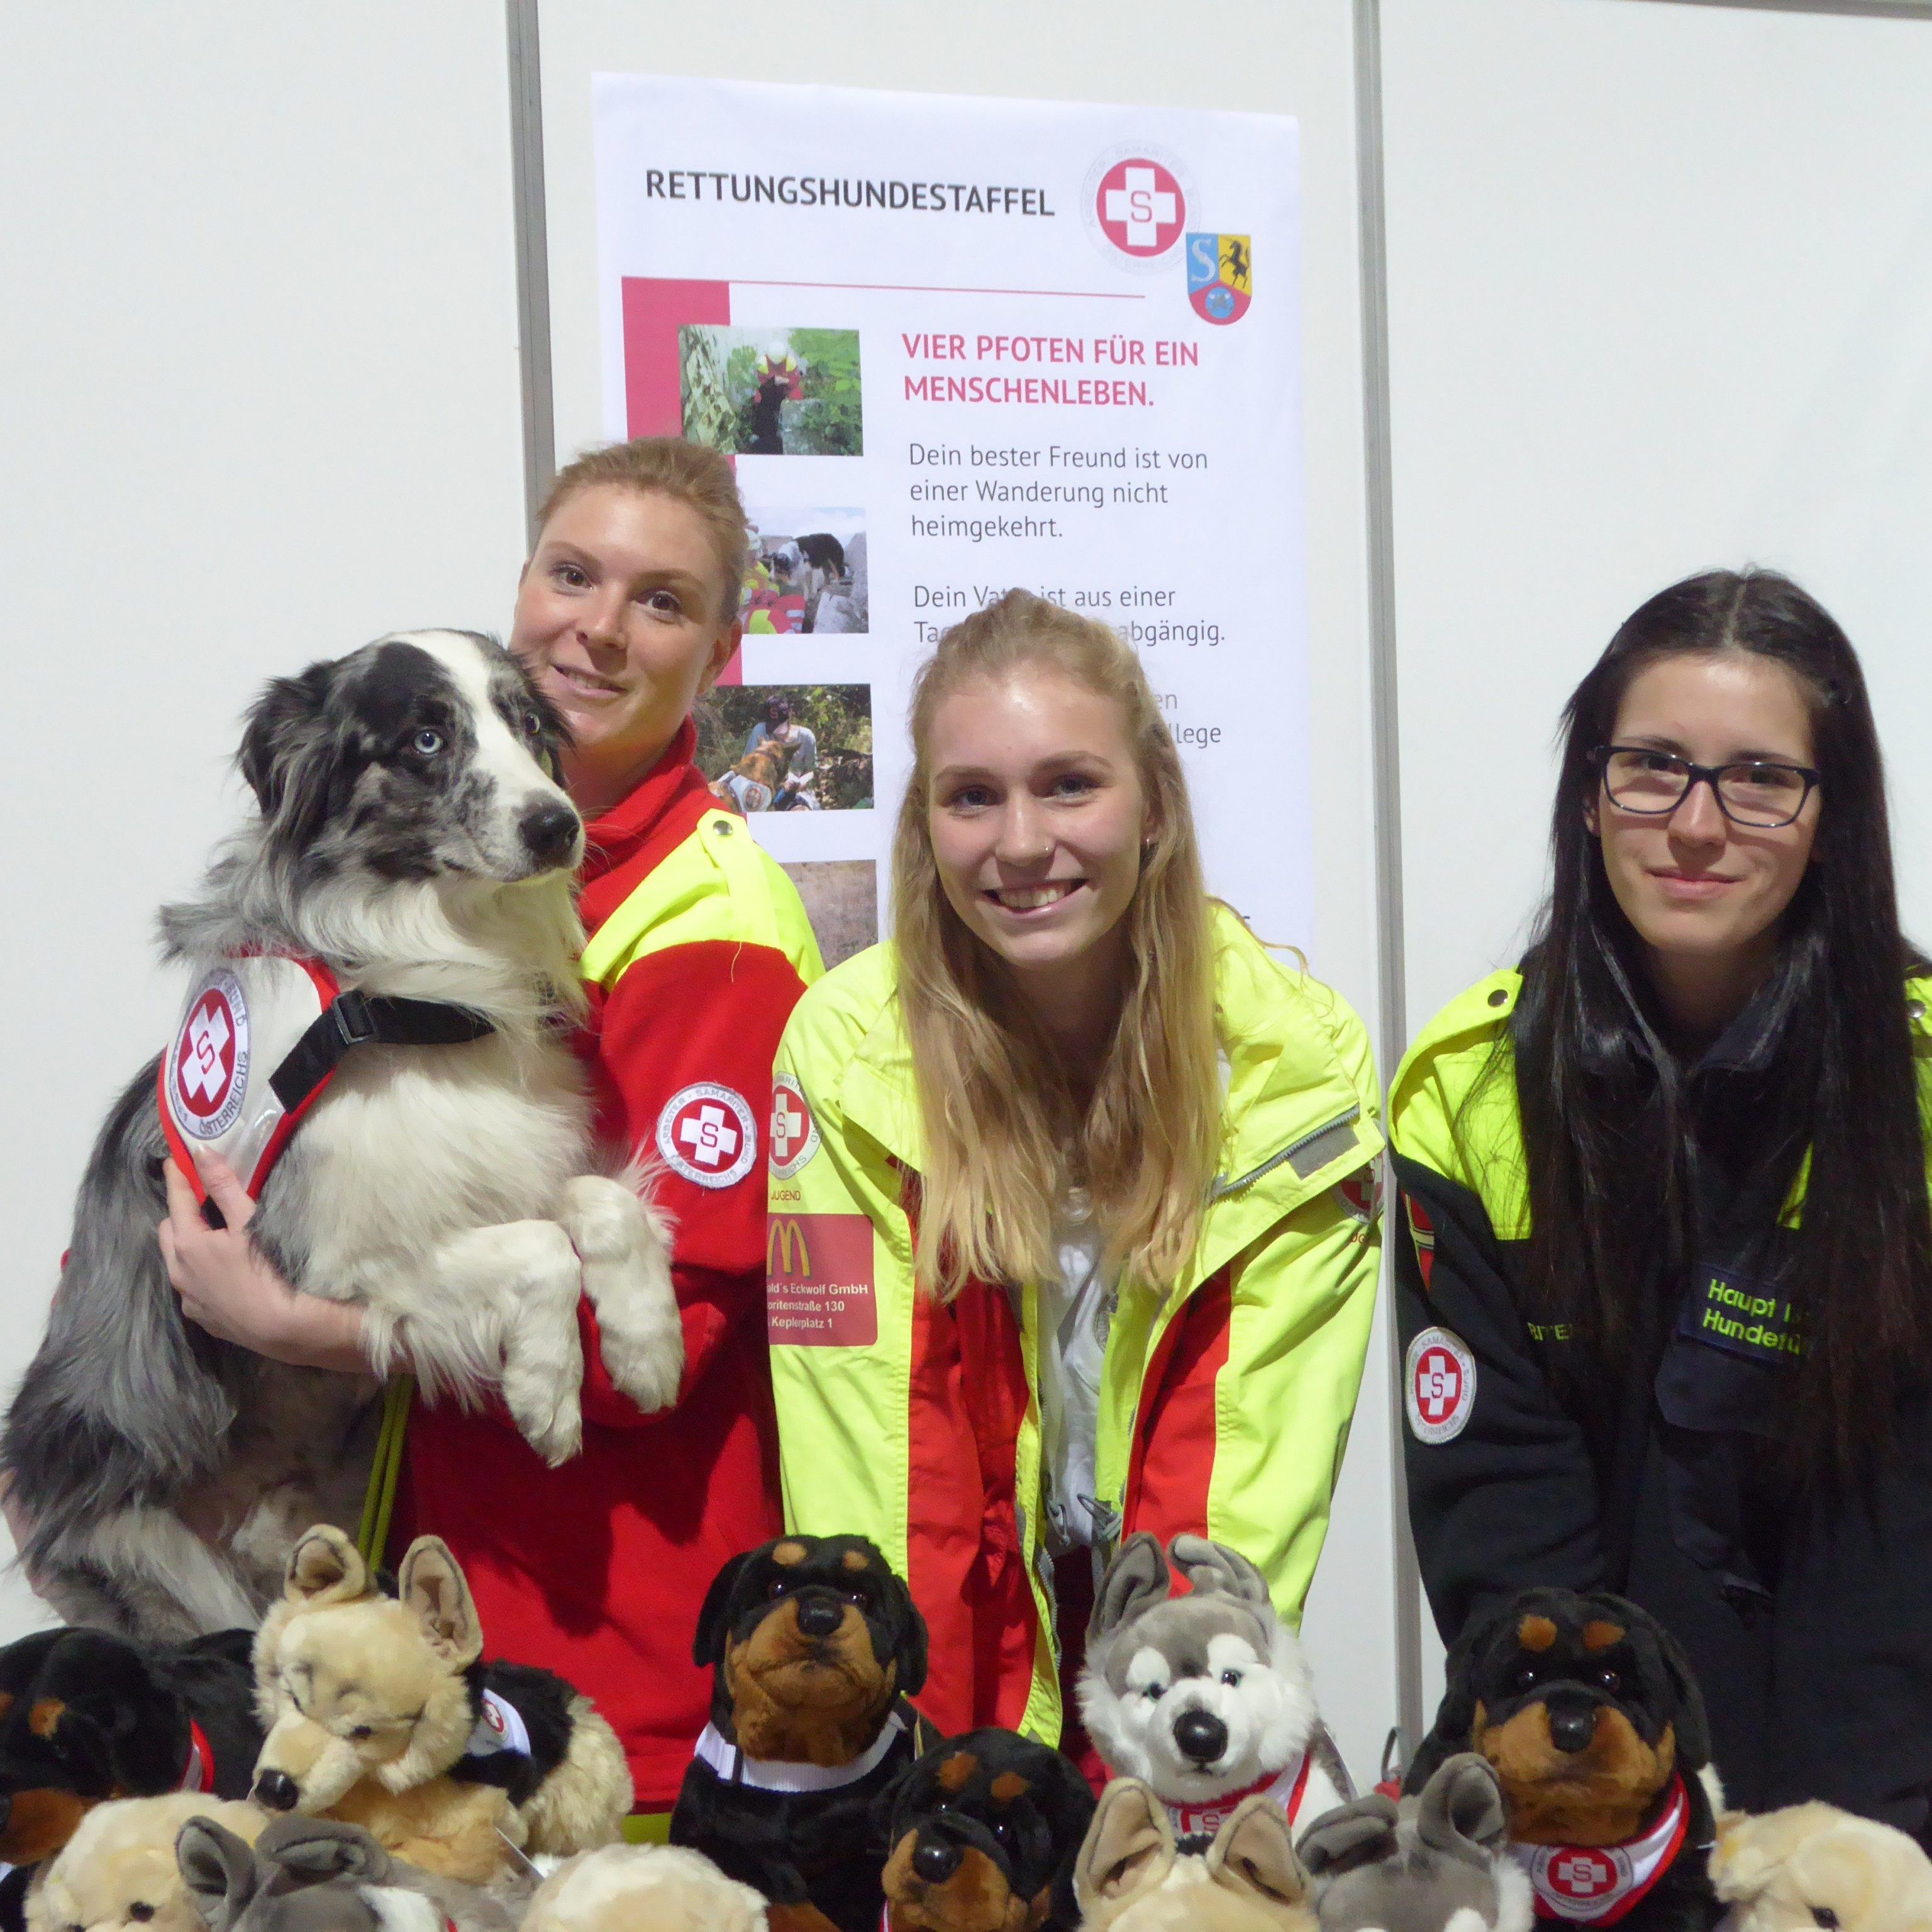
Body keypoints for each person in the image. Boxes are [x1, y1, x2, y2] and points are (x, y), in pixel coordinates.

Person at [157, 437, 823, 1826]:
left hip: (610, 1626)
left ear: (720, 650)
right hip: (439, 1600)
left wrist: (298, 1328)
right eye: (572, 575)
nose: (596, 626)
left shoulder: (712, 922)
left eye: (660, 602)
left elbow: (666, 1346)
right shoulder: (440, 881)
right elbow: (241, 1116)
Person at [764, 589, 1383, 1752]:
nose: (1020, 842)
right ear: (924, 822)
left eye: (1067, 784)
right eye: (971, 796)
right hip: (952, 1658)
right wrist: (930, 1785)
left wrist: (1160, 1789)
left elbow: (1247, 1479)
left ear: (1152, 800)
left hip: (1181, 1676)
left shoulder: (1292, 1073)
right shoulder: (844, 1058)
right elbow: (871, 1464)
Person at [1391, 568, 1932, 1840]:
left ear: (1831, 816)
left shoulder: (1916, 1087)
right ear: (1591, 796)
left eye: (1760, 778)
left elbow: (1900, 1537)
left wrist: (1838, 1863)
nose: (1698, 824)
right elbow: (1503, 1529)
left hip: (1873, 1815)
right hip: (1588, 1805)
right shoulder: (1468, 1099)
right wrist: (1630, 1836)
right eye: (1653, 767)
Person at [745, 694, 818, 808]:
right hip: (762, 790)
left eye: (779, 724)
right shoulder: (761, 730)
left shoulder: (806, 737)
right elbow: (750, 765)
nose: (774, 729)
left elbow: (811, 770)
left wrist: (800, 782)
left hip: (798, 793)